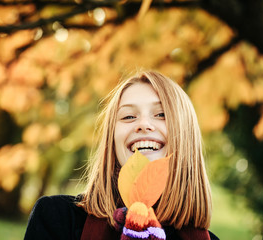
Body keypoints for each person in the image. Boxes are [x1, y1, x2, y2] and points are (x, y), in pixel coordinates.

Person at [24, 70, 219, 240]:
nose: (143, 124)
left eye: (161, 114)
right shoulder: (56, 218)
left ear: (186, 137)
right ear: (112, 139)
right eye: (128, 116)